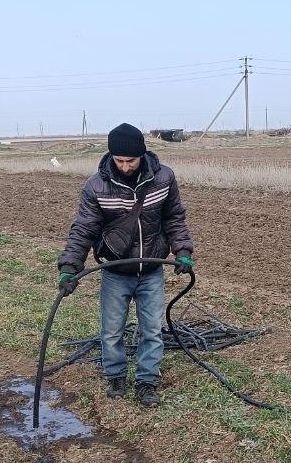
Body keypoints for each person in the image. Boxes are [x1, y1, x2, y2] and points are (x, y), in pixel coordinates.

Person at [57, 123, 194, 407]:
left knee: (152, 330)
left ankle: (146, 381)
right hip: (115, 272)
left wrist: (182, 250)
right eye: (119, 160)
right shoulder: (96, 186)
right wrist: (70, 266)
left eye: (130, 160)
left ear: (142, 155)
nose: (125, 166)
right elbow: (84, 229)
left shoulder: (163, 178)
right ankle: (116, 375)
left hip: (151, 270)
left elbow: (174, 218)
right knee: (111, 330)